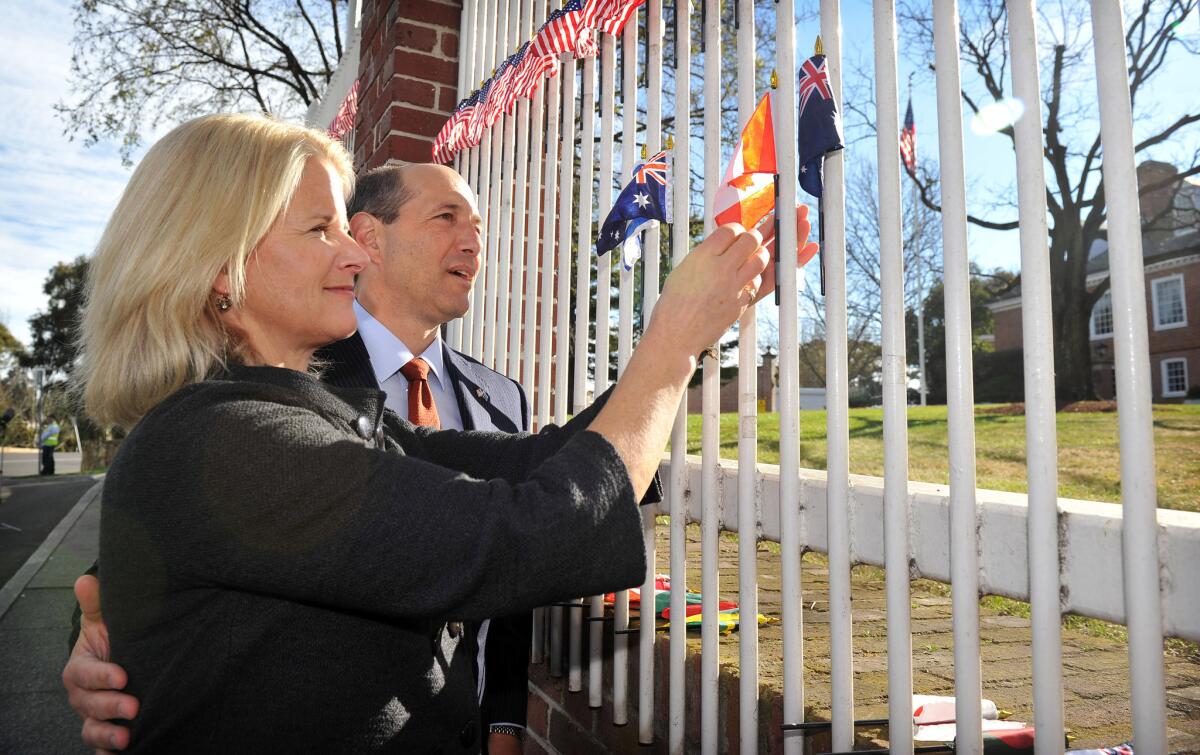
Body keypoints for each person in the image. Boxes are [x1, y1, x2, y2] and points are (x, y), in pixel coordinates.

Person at [65, 112, 806, 752]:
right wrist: (671, 342)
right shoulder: (228, 442)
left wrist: (690, 334)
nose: (352, 253)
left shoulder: (304, 419)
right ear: (220, 268)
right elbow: (531, 532)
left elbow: (534, 464)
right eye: (321, 230)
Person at [64, 162, 540, 754]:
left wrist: (503, 724)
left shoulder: (502, 397)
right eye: (447, 217)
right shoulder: (279, 375)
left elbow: (512, 576)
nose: (473, 241)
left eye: (478, 225)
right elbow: (171, 525)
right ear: (370, 238)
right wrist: (103, 634)